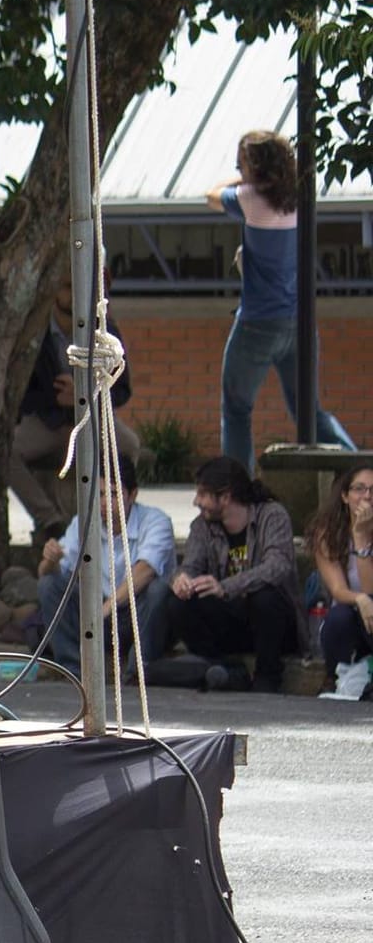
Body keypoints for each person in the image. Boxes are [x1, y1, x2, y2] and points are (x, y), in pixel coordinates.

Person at [207, 129, 355, 469]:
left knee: (237, 409)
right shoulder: (300, 198)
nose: (239, 169)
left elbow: (211, 196)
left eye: (242, 163)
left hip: (257, 324)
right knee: (309, 411)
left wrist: (244, 179)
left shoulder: (249, 198)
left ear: (256, 167)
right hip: (299, 322)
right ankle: (358, 467)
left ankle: (237, 487)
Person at [10, 275, 142, 542]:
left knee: (129, 445)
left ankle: (114, 511)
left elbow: (122, 390)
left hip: (92, 417)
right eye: (69, 286)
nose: (77, 294)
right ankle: (49, 519)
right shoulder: (35, 331)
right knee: (4, 451)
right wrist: (56, 399)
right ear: (55, 289)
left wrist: (86, 395)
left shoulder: (106, 329)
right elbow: (19, 392)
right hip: (50, 422)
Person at [31, 452, 176, 672]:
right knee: (49, 585)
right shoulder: (83, 522)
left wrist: (104, 610)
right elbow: (49, 573)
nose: (106, 503)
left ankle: (139, 667)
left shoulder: (156, 521)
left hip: (135, 614)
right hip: (100, 614)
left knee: (158, 590)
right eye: (100, 494)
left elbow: (145, 570)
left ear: (133, 495)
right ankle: (74, 668)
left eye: (114, 494)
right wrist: (50, 560)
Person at [171, 455, 303, 691]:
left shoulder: (271, 515)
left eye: (203, 494)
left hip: (275, 626)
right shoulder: (202, 526)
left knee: (264, 596)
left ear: (226, 496)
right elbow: (190, 564)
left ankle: (267, 678)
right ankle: (221, 668)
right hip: (232, 619)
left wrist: (226, 587)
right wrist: (182, 579)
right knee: (180, 602)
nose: (196, 502)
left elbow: (277, 565)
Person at [308, 467, 373, 698]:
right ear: (345, 496)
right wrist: (361, 600)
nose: (367, 496)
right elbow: (338, 589)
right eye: (359, 489)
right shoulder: (328, 532)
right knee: (339, 616)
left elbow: (370, 589)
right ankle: (335, 676)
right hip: (350, 616)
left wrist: (362, 537)